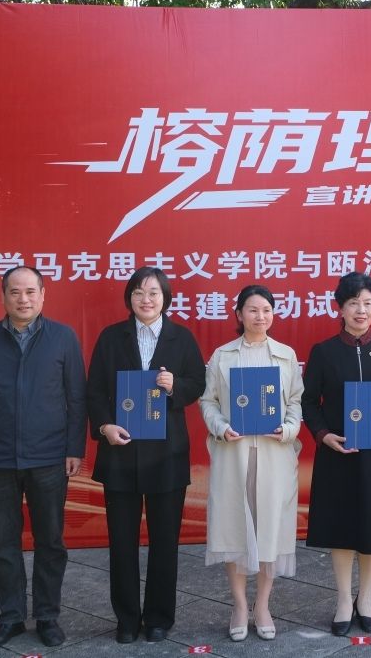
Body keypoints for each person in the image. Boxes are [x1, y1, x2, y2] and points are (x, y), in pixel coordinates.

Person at [0, 266, 86, 650]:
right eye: (15, 292)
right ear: (3, 297)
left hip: (48, 457)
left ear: (43, 295)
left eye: (31, 291)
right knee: (3, 543)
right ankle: (11, 618)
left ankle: (47, 616)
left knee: (51, 541)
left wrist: (74, 449)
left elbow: (76, 397)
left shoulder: (63, 337)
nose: (23, 299)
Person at [85, 267, 206, 643]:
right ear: (130, 298)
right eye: (138, 292)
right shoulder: (111, 337)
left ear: (165, 298)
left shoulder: (181, 338)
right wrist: (104, 426)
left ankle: (158, 618)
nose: (146, 299)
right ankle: (126, 619)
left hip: (167, 454)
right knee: (121, 543)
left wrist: (174, 386)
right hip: (120, 453)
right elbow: (94, 391)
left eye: (153, 292)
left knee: (164, 542)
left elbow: (198, 383)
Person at [302, 272, 371, 636]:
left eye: (367, 303)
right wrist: (323, 435)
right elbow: (308, 402)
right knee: (340, 528)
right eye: (353, 303)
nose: (361, 310)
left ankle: (365, 599)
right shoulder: (323, 352)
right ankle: (342, 599)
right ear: (341, 308)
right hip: (339, 453)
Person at [199, 285, 304, 642]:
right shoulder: (223, 355)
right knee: (234, 526)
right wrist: (220, 426)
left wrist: (289, 428)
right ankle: (240, 605)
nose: (261, 316)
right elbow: (208, 401)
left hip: (274, 454)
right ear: (239, 314)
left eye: (266, 310)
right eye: (253, 310)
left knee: (270, 527)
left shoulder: (286, 356)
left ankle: (262, 605)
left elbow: (295, 401)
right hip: (235, 453)